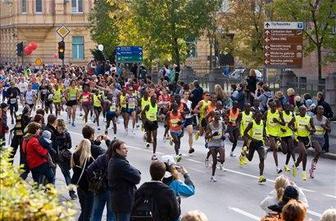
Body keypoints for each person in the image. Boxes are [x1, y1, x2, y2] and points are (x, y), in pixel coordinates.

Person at [107, 140, 141, 221]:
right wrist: (136, 172)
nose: (127, 150)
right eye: (124, 148)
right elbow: (137, 177)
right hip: (123, 202)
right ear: (117, 150)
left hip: (117, 200)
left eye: (127, 148)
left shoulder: (114, 160)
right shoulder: (120, 163)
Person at [86, 140, 116, 221]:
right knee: (111, 215)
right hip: (113, 191)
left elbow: (89, 170)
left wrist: (94, 180)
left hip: (100, 188)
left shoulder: (102, 157)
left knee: (96, 213)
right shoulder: (118, 161)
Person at [71, 139, 95, 221]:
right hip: (88, 188)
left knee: (84, 209)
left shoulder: (74, 155)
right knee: (88, 212)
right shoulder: (89, 159)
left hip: (79, 185)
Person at [54, 119, 77, 200]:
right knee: (67, 175)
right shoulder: (66, 134)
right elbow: (69, 146)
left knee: (51, 174)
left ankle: (49, 191)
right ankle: (72, 193)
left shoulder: (53, 133)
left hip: (54, 155)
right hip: (63, 156)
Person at [242, 110, 267, 184]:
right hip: (253, 143)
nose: (259, 117)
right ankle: (244, 152)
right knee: (250, 159)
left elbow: (263, 131)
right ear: (255, 116)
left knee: (262, 158)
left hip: (260, 143)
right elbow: (245, 133)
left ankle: (261, 176)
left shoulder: (263, 122)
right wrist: (252, 139)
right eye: (258, 116)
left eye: (260, 116)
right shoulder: (251, 123)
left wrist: (265, 136)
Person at [205, 111, 226, 182]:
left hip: (220, 143)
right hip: (212, 144)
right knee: (214, 162)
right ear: (214, 116)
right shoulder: (210, 125)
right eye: (216, 114)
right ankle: (212, 176)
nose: (218, 115)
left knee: (222, 160)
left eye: (219, 114)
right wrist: (212, 135)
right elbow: (206, 136)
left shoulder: (222, 123)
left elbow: (223, 132)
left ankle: (215, 160)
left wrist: (223, 136)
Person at [310, 105, 330, 178]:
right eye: (320, 109)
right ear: (317, 110)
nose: (321, 110)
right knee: (319, 150)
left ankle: (312, 169)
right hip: (314, 137)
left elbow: (329, 130)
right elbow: (310, 129)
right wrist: (311, 131)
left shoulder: (326, 119)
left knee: (318, 153)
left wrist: (325, 127)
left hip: (321, 138)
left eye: (322, 109)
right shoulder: (312, 118)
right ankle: (313, 163)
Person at [142, 95, 159, 160]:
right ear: (151, 100)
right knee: (149, 139)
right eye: (154, 99)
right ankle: (146, 136)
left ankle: (154, 154)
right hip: (148, 123)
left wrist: (157, 117)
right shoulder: (148, 106)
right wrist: (146, 120)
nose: (155, 100)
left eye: (156, 99)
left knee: (155, 138)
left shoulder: (156, 105)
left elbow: (155, 113)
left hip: (154, 122)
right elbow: (142, 113)